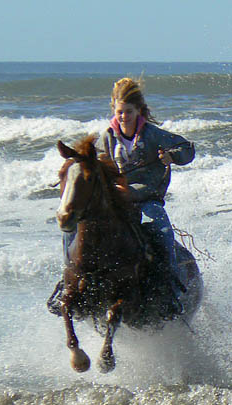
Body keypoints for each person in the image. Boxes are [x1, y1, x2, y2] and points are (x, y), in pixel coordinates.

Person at [59, 77, 195, 314]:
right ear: (114, 110)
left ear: (138, 111)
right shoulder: (107, 137)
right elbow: (92, 162)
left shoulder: (154, 135)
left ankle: (170, 286)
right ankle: (68, 283)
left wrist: (171, 157)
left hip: (146, 200)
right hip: (115, 201)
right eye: (120, 112)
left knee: (162, 229)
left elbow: (188, 149)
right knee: (71, 229)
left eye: (128, 112)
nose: (124, 117)